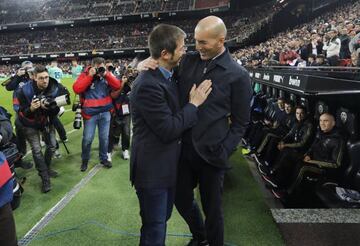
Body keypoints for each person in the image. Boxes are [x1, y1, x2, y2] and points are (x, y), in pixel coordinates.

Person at [139, 15, 252, 246]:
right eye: (196, 41)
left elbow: (241, 122)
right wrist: (143, 63)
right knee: (180, 200)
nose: (197, 47)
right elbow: (163, 64)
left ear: (221, 40)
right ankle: (200, 237)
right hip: (181, 151)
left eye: (203, 43)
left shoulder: (238, 75)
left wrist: (224, 151)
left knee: (214, 211)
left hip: (212, 154)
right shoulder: (188, 60)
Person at [131, 24, 212, 246]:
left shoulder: (167, 73)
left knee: (166, 217)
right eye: (182, 47)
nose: (185, 50)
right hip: (153, 170)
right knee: (155, 226)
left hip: (170, 165)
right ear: (165, 54)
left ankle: (202, 238)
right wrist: (194, 105)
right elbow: (168, 130)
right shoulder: (148, 84)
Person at [17, 65, 70, 193]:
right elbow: (21, 113)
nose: (45, 81)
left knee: (52, 145)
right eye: (41, 78)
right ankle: (45, 177)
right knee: (36, 150)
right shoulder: (24, 91)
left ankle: (45, 167)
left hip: (47, 120)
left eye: (46, 77)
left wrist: (53, 105)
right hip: (29, 122)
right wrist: (31, 109)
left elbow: (66, 97)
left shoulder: (54, 85)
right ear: (34, 78)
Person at [270, 113, 344, 199]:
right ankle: (278, 183)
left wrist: (312, 161)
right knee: (289, 155)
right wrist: (308, 154)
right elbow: (312, 147)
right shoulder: (320, 133)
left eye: (326, 121)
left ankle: (288, 193)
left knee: (302, 166)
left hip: (323, 169)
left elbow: (336, 164)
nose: (322, 123)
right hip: (311, 160)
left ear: (333, 123)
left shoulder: (338, 140)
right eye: (320, 121)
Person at [73, 57, 121, 172]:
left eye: (101, 66)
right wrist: (90, 76)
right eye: (97, 66)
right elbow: (76, 89)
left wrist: (106, 74)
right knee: (87, 139)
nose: (99, 68)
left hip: (105, 112)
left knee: (104, 138)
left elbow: (117, 86)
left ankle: (103, 158)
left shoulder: (106, 74)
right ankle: (85, 160)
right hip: (90, 114)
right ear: (92, 65)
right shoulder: (85, 74)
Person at [107, 64, 132, 161]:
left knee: (126, 132)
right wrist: (122, 84)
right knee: (112, 133)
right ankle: (109, 150)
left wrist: (129, 83)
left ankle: (125, 150)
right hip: (115, 112)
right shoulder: (115, 85)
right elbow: (114, 95)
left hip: (126, 112)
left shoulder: (129, 85)